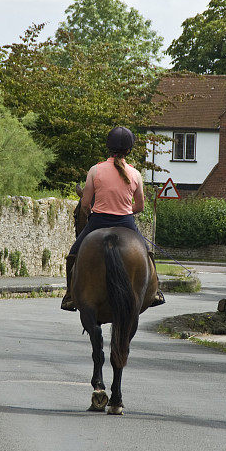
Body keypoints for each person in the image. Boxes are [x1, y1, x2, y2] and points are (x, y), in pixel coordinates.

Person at [60, 126, 166, 312]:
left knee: (73, 254)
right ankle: (156, 291)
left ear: (108, 147)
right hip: (126, 222)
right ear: (129, 150)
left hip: (98, 222)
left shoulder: (95, 170)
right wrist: (124, 210)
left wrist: (95, 211)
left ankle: (69, 295)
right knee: (147, 253)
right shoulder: (136, 174)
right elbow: (140, 206)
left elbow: (85, 204)